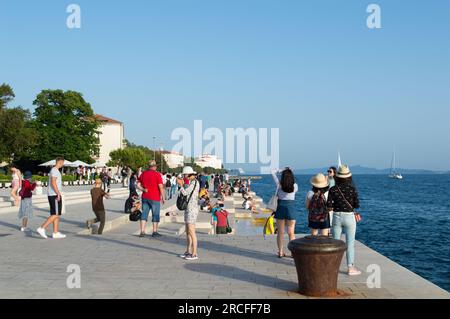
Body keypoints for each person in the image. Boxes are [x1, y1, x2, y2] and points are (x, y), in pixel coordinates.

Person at [327, 165, 362, 276]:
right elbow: (357, 205)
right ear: (348, 177)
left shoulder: (333, 189)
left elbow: (329, 205)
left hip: (337, 216)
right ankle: (350, 267)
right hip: (349, 217)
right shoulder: (352, 189)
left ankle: (333, 267)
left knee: (335, 243)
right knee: (350, 243)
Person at [271, 167, 298, 258]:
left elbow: (272, 171)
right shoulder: (295, 186)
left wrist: (281, 170)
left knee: (280, 232)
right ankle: (293, 253)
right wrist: (289, 170)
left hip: (281, 208)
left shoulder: (279, 185)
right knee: (291, 233)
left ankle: (281, 252)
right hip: (291, 209)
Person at [37, 157, 66, 239]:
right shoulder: (54, 170)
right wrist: (58, 193)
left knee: (56, 214)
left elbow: (54, 182)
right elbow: (53, 182)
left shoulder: (54, 170)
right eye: (62, 163)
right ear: (59, 162)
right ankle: (42, 228)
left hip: (53, 194)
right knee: (55, 214)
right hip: (54, 195)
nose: (63, 164)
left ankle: (55, 232)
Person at [137, 160, 165, 238]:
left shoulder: (143, 174)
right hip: (155, 197)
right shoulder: (157, 174)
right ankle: (154, 231)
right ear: (154, 166)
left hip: (145, 197)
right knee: (155, 214)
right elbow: (160, 186)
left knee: (144, 213)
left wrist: (143, 189)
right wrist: (163, 197)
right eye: (156, 166)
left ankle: (142, 231)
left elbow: (138, 185)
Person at [177, 166, 200, 261]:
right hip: (188, 208)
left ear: (189, 174)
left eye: (185, 175)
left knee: (191, 231)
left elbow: (185, 192)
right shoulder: (190, 182)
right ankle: (188, 251)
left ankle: (194, 253)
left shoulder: (194, 183)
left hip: (192, 209)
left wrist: (181, 186)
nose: (184, 176)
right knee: (188, 231)